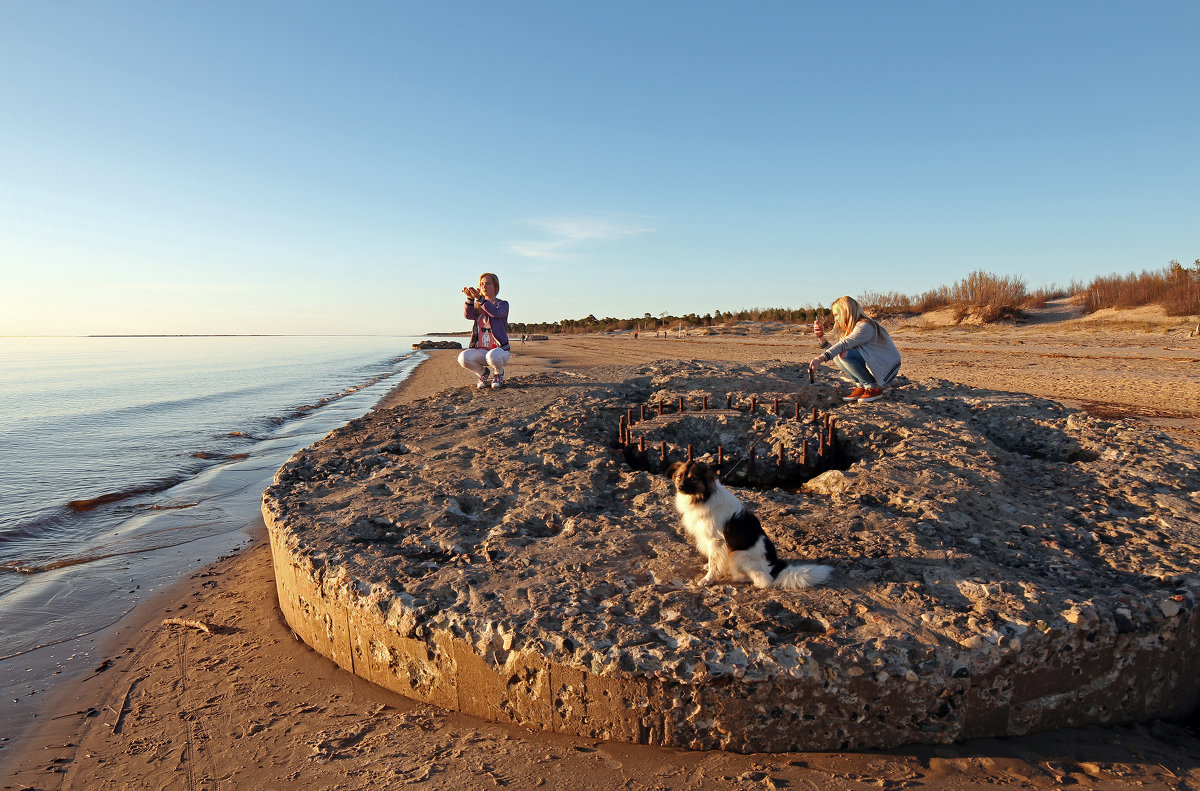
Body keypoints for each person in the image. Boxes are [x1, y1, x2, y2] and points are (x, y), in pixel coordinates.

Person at [808, 296, 901, 403]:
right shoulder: (853, 328)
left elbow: (843, 345)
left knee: (844, 354)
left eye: (836, 315)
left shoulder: (864, 326)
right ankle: (861, 385)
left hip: (887, 368)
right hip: (875, 364)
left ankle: (872, 387)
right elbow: (835, 352)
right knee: (839, 355)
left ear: (845, 311)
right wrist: (820, 336)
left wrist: (819, 359)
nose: (835, 319)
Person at [457, 272, 511, 389]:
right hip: (482, 351)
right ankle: (483, 373)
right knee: (463, 358)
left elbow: (495, 312)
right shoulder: (479, 307)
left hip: (500, 351)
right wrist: (470, 299)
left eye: (488, 284)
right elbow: (468, 315)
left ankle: (498, 372)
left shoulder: (502, 304)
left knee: (493, 356)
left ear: (495, 287)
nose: (484, 287)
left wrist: (480, 299)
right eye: (482, 284)